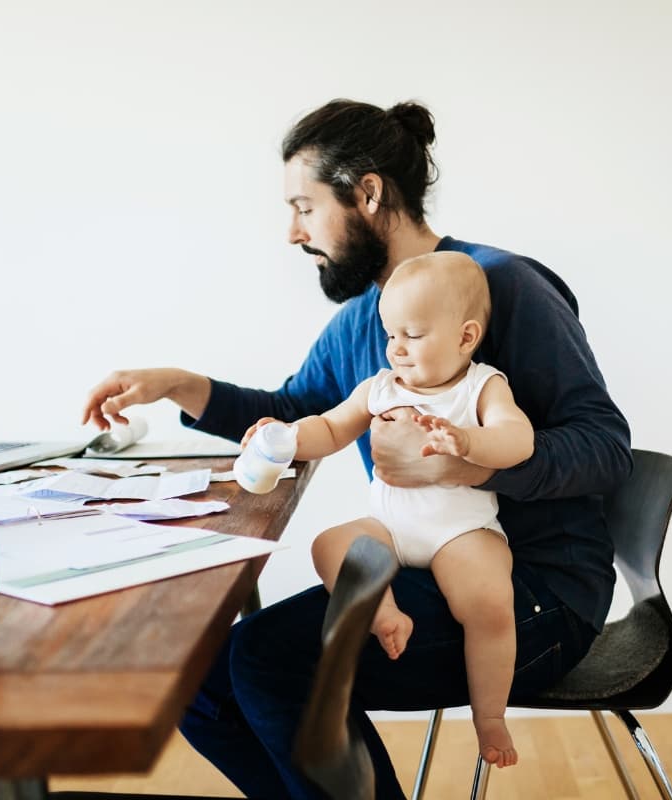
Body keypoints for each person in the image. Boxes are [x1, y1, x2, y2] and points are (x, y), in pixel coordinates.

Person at [81, 98, 632, 800]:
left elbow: (604, 447)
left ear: (367, 194)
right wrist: (180, 386)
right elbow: (292, 413)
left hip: (531, 596)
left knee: (270, 661)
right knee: (202, 678)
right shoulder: (359, 325)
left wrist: (467, 463)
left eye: (304, 207)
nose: (291, 232)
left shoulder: (499, 287)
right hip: (416, 569)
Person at [241, 250, 533, 768]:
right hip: (392, 527)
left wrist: (466, 441)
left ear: (466, 337)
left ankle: (490, 716)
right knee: (330, 545)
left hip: (460, 531)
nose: (396, 348)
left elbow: (517, 439)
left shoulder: (481, 386)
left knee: (489, 603)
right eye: (390, 334)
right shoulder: (379, 388)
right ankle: (383, 613)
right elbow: (329, 428)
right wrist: (284, 437)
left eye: (413, 335)